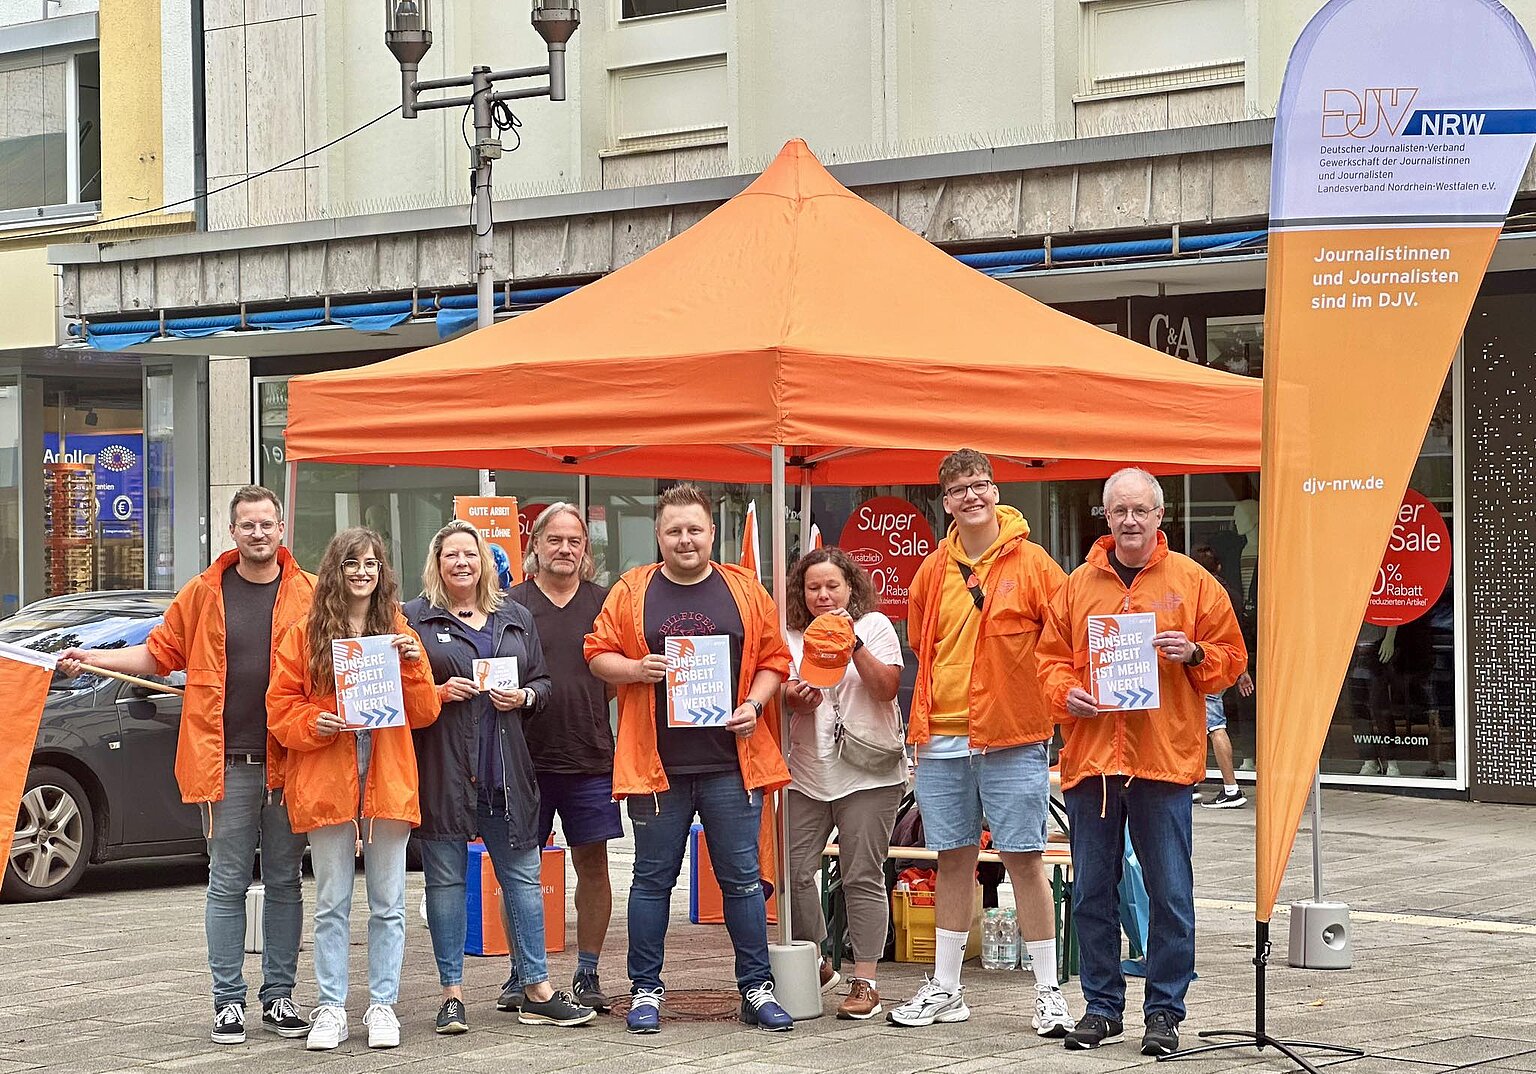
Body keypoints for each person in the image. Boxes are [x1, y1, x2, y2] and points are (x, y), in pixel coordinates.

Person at [57, 486, 315, 1046]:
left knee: (286, 882)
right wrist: (93, 658)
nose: (258, 534)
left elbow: (344, 651)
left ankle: (279, 997)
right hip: (225, 762)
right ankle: (227, 1003)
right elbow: (157, 654)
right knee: (225, 882)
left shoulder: (310, 594)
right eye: (248, 525)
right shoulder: (203, 593)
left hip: (291, 762)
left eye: (267, 524)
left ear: (281, 529)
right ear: (233, 532)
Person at [1037, 467, 1246, 1057]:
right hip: (1093, 764)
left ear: (1160, 517)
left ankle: (1164, 1013)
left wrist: (1196, 652)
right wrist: (1063, 694)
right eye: (1119, 510)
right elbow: (1049, 661)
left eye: (1141, 511)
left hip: (1163, 761)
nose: (1130, 521)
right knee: (1092, 894)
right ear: (1105, 516)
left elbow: (1232, 659)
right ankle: (1102, 1008)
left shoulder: (1195, 582)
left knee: (1171, 893)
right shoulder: (1076, 587)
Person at [585, 482, 794, 1035]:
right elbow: (596, 653)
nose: (685, 540)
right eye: (674, 530)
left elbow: (775, 657)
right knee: (652, 882)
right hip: (656, 769)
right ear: (658, 535)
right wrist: (635, 670)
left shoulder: (744, 590)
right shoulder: (633, 590)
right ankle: (646, 990)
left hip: (732, 761)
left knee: (743, 881)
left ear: (711, 533)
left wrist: (753, 703)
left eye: (694, 529)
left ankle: (756, 987)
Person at [886, 449, 1074, 1037]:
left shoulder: (1036, 564)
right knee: (952, 860)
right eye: (960, 489)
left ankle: (1047, 992)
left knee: (1024, 859)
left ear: (997, 491)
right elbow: (922, 640)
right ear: (945, 502)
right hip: (941, 734)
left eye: (981, 485)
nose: (972, 496)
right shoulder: (932, 570)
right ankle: (946, 987)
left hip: (1013, 735)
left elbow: (1065, 637)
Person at [405, 520, 595, 1034]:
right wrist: (437, 695)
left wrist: (526, 698)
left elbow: (543, 682)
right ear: (437, 563)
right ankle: (452, 994)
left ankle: (536, 987)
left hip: (505, 770)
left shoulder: (513, 616)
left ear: (485, 561)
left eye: (471, 554)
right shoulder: (413, 620)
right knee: (446, 882)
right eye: (452, 556)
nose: (462, 563)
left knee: (523, 881)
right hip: (444, 770)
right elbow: (400, 695)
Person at [266, 528, 441, 1050]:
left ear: (382, 572)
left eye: (370, 564)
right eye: (351, 564)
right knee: (332, 902)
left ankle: (382, 1006)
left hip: (386, 776)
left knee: (388, 902)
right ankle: (331, 1008)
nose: (362, 573)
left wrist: (412, 666)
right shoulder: (303, 635)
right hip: (328, 775)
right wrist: (313, 722)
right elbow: (280, 710)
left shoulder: (399, 630)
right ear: (335, 572)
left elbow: (426, 710)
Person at [782, 548, 905, 1021]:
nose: (824, 595)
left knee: (861, 875)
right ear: (802, 592)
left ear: (851, 587)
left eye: (833, 585)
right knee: (793, 873)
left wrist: (851, 643)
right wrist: (797, 696)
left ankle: (866, 980)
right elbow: (786, 696)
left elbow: (887, 688)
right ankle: (816, 961)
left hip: (869, 773)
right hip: (808, 772)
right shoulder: (790, 635)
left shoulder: (873, 625)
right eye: (814, 587)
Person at [510, 503, 620, 1011]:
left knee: (593, 865)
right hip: (523, 759)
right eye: (554, 540)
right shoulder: (510, 604)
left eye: (574, 541)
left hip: (590, 756)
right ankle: (524, 973)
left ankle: (587, 972)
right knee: (518, 870)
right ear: (535, 545)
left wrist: (587, 708)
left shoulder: (606, 602)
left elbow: (615, 677)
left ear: (586, 549)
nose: (565, 549)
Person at [1190, 545, 1252, 809]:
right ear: (1218, 567)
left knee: (1214, 725)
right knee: (1202, 723)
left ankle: (1231, 788)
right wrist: (1242, 671)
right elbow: (1237, 635)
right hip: (1227, 664)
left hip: (1208, 666)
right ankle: (1191, 782)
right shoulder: (1234, 595)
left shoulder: (1198, 595)